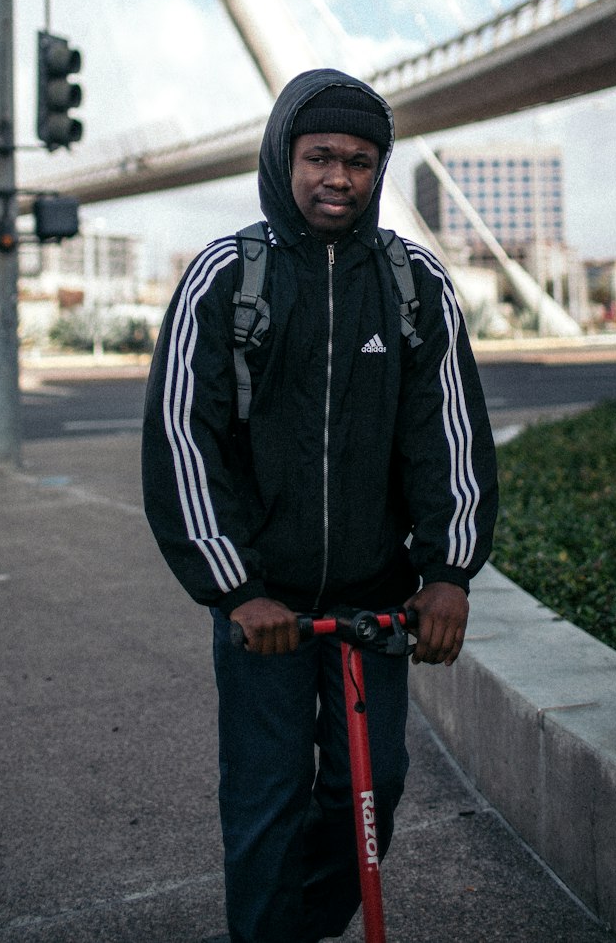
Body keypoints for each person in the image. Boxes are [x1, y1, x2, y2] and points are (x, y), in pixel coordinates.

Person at [142, 67, 498, 943]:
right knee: (265, 801)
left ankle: (299, 926)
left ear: (381, 170)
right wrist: (234, 590)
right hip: (263, 605)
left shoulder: (414, 285)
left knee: (368, 794)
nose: (339, 177)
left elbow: (447, 436)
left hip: (374, 604)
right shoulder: (227, 279)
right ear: (283, 158)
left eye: (361, 161)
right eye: (320, 156)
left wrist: (448, 573)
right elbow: (182, 441)